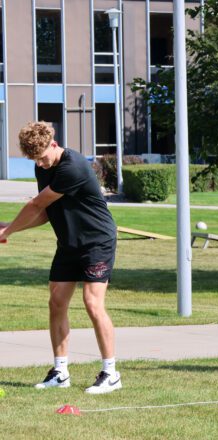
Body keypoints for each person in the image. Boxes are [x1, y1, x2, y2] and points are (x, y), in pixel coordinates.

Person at [0, 121, 121, 394]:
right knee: (56, 302)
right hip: (68, 242)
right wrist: (11, 229)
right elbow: (45, 213)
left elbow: (36, 204)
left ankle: (111, 373)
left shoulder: (72, 166)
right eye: (34, 160)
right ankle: (60, 372)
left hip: (97, 241)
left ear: (53, 144)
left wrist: (7, 231)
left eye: (42, 158)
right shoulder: (42, 167)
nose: (40, 164)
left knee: (92, 303)